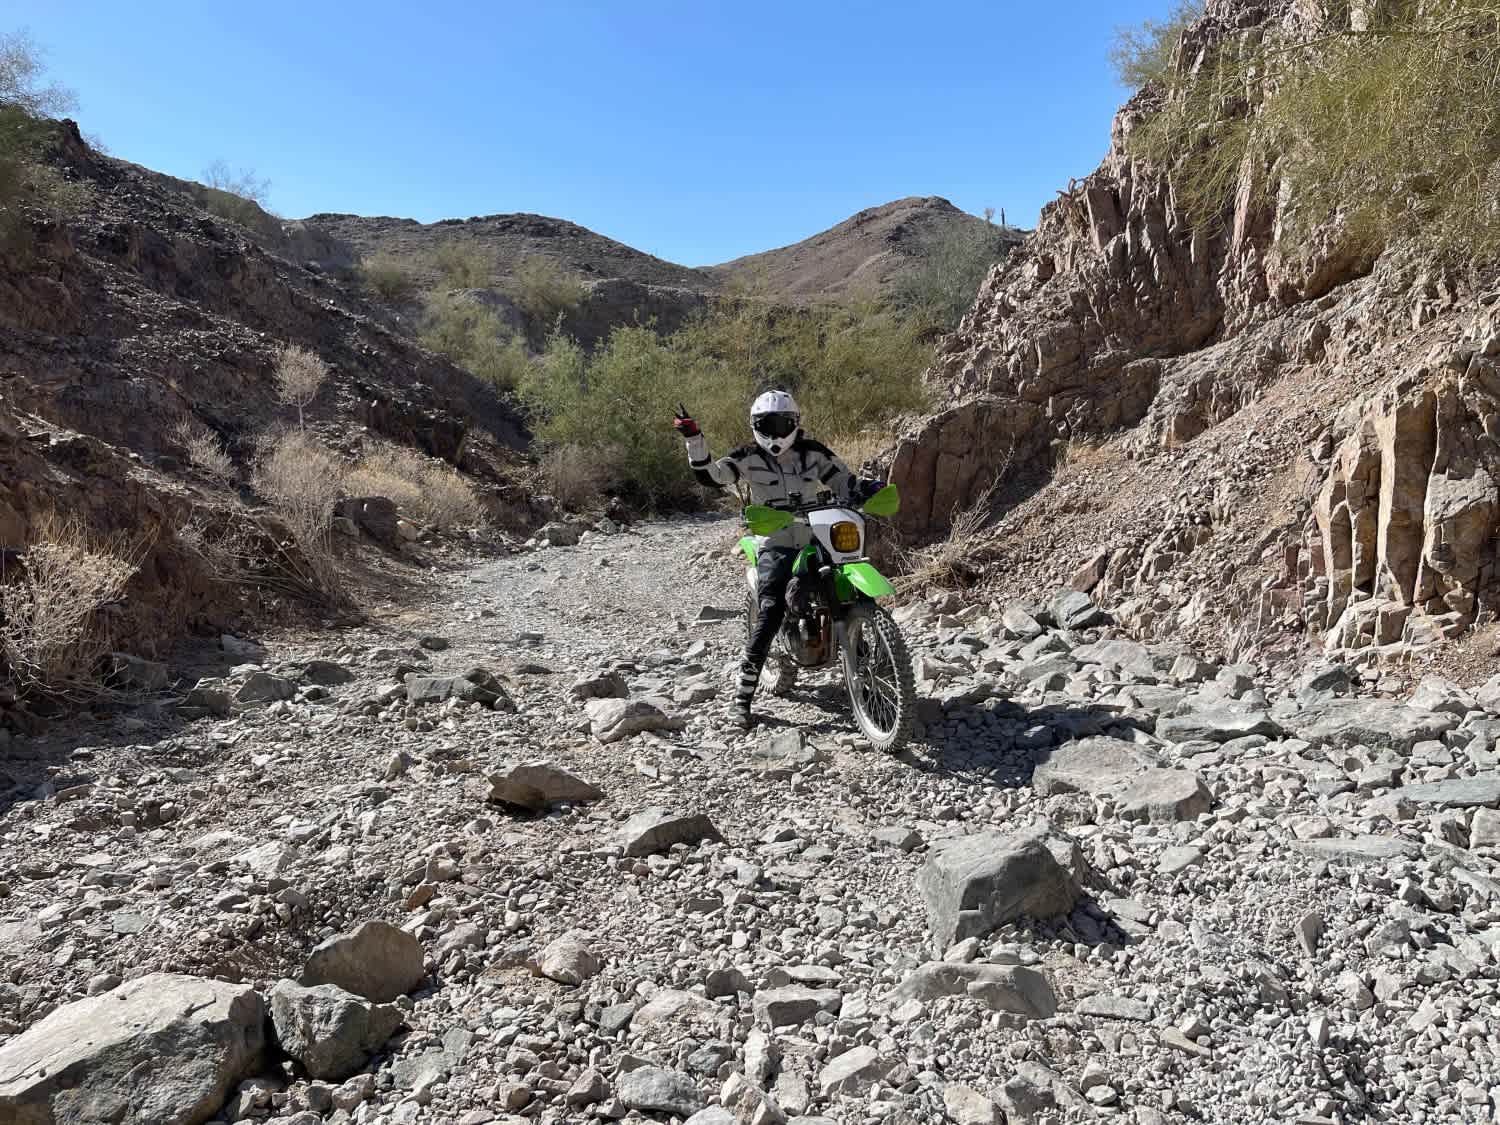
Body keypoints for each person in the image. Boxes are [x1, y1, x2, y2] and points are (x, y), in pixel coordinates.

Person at [674, 389, 881, 730]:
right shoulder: (747, 456)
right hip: (775, 540)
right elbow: (712, 475)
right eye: (766, 424)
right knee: (771, 610)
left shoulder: (813, 453)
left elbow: (843, 480)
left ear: (794, 423)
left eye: (782, 422)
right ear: (755, 425)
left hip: (817, 535)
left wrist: (866, 489)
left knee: (854, 592)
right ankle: (743, 696)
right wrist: (694, 439)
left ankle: (871, 665)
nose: (775, 430)